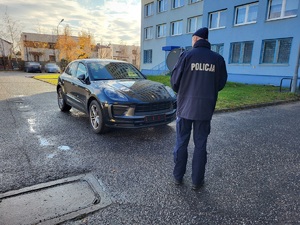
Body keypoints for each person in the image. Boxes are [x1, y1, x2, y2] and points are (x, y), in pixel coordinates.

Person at [171, 27, 228, 190]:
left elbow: (175, 82)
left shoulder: (186, 56)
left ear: (196, 39)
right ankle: (197, 181)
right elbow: (221, 83)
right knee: (200, 144)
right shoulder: (218, 59)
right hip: (205, 109)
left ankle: (178, 177)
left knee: (181, 142)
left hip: (185, 109)